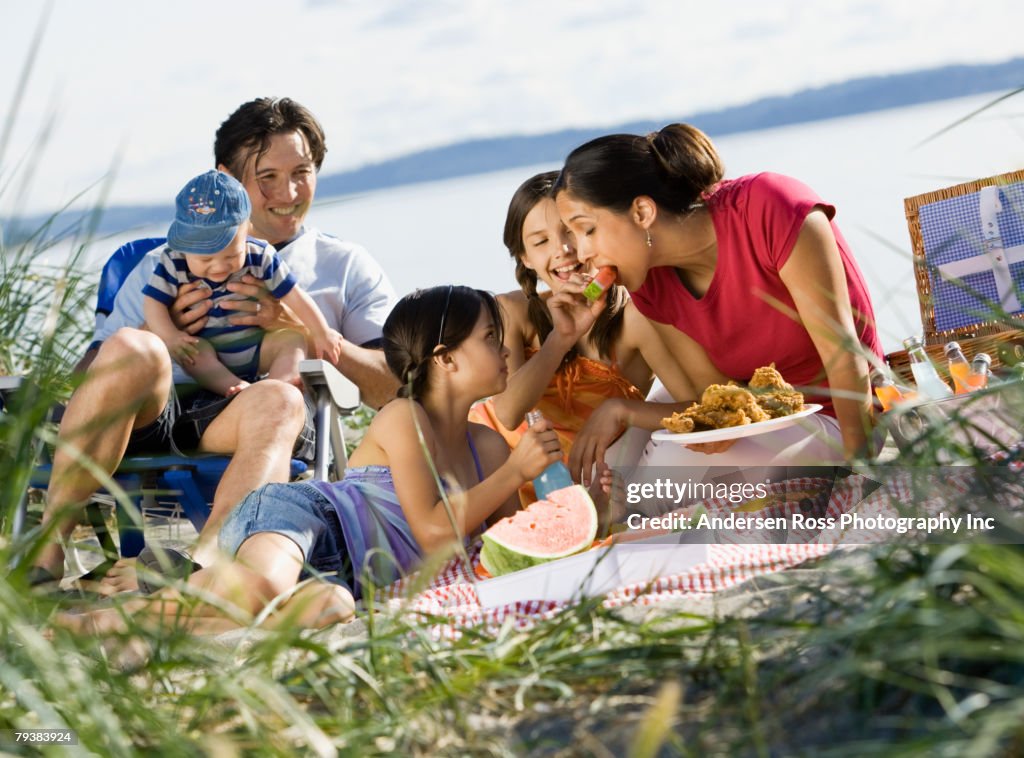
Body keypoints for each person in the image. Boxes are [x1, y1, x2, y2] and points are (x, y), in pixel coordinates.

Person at [30, 98, 398, 592]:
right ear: (225, 178)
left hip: (248, 414)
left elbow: (395, 387)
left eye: (301, 172)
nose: (287, 193)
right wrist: (157, 330)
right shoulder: (164, 262)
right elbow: (89, 375)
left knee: (283, 399)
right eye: (266, 176)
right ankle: (46, 557)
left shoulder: (344, 266)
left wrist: (299, 326)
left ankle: (201, 565)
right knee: (132, 345)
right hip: (151, 414)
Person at [57, 286, 566, 635]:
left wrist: (581, 504)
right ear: (445, 357)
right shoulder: (404, 417)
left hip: (350, 580)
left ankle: (168, 603)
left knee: (330, 608)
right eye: (490, 339)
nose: (506, 351)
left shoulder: (490, 446)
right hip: (305, 518)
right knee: (262, 585)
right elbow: (433, 530)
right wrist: (516, 474)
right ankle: (85, 624)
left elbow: (503, 550)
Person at [552, 123, 884, 484]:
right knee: (613, 459)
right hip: (762, 418)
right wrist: (619, 408)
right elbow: (716, 397)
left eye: (587, 229)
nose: (582, 253)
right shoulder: (650, 284)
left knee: (665, 474)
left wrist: (859, 475)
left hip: (840, 413)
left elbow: (844, 355)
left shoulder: (769, 205)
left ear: (642, 212)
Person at [469, 171, 694, 495]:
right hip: (496, 471)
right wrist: (560, 338)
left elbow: (695, 410)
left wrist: (620, 411)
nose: (562, 249)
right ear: (525, 258)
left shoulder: (636, 319)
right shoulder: (511, 310)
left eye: (572, 231)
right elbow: (507, 413)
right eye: (541, 241)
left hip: (584, 484)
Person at [143, 170, 339, 397]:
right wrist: (170, 336)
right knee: (192, 353)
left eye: (231, 256)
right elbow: (153, 304)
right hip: (208, 350)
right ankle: (233, 388)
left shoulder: (261, 255)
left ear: (247, 229)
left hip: (256, 346)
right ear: (185, 245)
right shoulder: (173, 261)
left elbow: (294, 295)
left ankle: (278, 388)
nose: (219, 267)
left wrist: (321, 331)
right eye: (205, 259)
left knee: (292, 339)